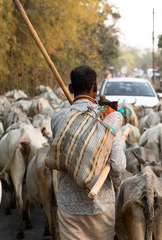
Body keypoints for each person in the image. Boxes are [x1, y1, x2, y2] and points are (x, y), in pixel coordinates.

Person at [51, 65, 126, 240]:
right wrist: (118, 183)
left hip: (68, 207)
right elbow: (118, 166)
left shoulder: (58, 118)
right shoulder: (109, 118)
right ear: (95, 89)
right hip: (100, 207)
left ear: (71, 89)